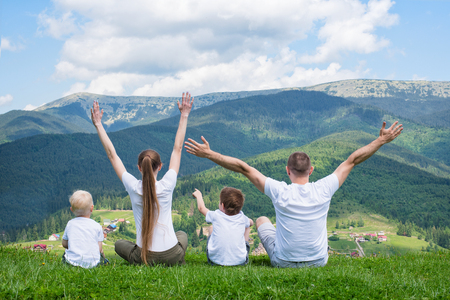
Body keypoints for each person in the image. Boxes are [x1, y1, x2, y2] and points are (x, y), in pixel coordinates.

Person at [185, 121, 403, 267]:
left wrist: (209, 154)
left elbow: (243, 168)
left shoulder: (279, 191)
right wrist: (381, 140)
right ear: (311, 171)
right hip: (319, 261)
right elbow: (352, 160)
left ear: (287, 171)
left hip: (283, 261)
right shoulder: (324, 188)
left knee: (261, 220)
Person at [91, 92, 194, 266]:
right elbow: (177, 149)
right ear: (160, 166)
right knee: (182, 235)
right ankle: (176, 258)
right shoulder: (168, 184)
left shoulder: (133, 187)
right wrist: (184, 115)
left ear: (139, 168)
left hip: (145, 258)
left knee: (118, 244)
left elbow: (112, 155)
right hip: (172, 256)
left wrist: (98, 124)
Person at [192, 187, 254, 266]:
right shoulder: (242, 218)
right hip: (240, 262)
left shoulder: (216, 215)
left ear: (223, 206)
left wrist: (199, 196)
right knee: (247, 226)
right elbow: (251, 222)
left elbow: (201, 208)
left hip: (214, 261)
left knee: (211, 228)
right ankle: (240, 253)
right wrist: (248, 223)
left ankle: (216, 253)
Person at [62, 190, 105, 268]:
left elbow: (64, 244)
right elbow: (99, 249)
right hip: (93, 264)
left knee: (65, 255)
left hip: (72, 262)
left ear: (72, 210)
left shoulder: (70, 224)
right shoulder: (97, 226)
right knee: (101, 258)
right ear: (92, 208)